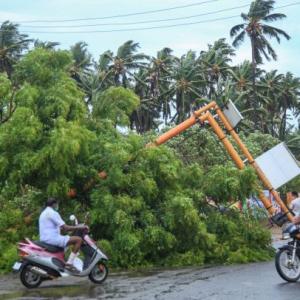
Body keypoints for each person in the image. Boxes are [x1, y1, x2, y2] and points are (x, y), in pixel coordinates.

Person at [39, 197, 88, 271]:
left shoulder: (44, 213)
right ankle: (69, 263)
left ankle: (62, 262)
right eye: (57, 204)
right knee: (78, 240)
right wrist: (80, 227)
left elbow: (54, 227)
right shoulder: (53, 213)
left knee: (68, 239)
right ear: (54, 204)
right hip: (52, 239)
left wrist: (69, 229)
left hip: (45, 238)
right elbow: (66, 228)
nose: (57, 206)